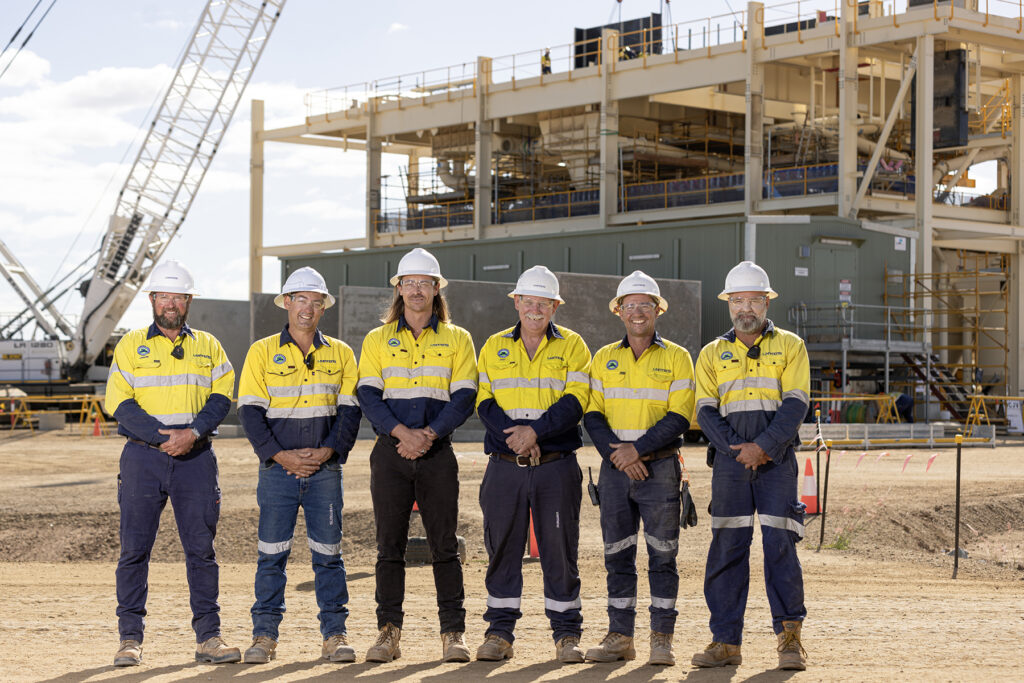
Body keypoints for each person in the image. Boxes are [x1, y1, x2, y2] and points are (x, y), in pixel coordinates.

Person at [105, 260, 239, 667]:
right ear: (152, 300)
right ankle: (130, 639)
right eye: (164, 296)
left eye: (179, 297)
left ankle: (209, 639)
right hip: (143, 458)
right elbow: (118, 402)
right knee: (134, 551)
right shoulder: (130, 345)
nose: (171, 304)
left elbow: (222, 395)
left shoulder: (209, 345)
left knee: (201, 551)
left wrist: (192, 434)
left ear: (188, 301)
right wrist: (163, 438)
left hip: (195, 458)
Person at [356, 248, 478, 663]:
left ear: (436, 288)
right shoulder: (377, 339)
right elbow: (368, 396)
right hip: (390, 455)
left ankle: (453, 633)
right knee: (389, 547)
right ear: (399, 288)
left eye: (425, 283)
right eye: (409, 283)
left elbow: (464, 397)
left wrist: (428, 434)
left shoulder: (458, 339)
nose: (416, 290)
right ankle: (388, 633)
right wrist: (402, 434)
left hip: (436, 454)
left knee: (444, 545)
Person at [237, 267, 361, 664]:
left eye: (316, 301)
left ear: (324, 306)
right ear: (287, 303)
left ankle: (335, 635)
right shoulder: (261, 352)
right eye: (300, 299)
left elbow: (351, 411)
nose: (308, 308)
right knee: (271, 555)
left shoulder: (341, 353)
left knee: (329, 555)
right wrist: (280, 455)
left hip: (325, 472)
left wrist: (328, 452)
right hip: (278, 472)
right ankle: (264, 636)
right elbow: (250, 413)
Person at [691, 261, 810, 671]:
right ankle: (725, 642)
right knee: (727, 549)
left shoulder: (791, 346)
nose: (747, 307)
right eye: (738, 300)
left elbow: (795, 404)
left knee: (780, 548)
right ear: (728, 304)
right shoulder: (711, 354)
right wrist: (736, 450)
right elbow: (705, 411)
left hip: (777, 463)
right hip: (730, 466)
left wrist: (763, 447)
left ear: (766, 302)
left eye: (754, 300)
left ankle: (790, 640)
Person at [474, 265, 592, 664]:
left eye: (544, 303)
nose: (536, 309)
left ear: (555, 306)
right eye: (529, 301)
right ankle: (499, 632)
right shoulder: (493, 346)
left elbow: (576, 400)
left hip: (555, 466)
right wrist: (518, 438)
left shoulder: (574, 345)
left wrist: (535, 434)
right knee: (502, 547)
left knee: (559, 549)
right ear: (517, 302)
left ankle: (566, 634)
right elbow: (484, 401)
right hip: (505, 465)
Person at [582, 271, 695, 666]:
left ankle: (661, 639)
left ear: (657, 310)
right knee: (617, 555)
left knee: (663, 556)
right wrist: (620, 456)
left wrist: (637, 451)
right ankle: (620, 637)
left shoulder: (678, 357)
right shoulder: (603, 358)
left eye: (645, 304)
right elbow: (592, 414)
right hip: (615, 471)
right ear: (619, 312)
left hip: (660, 469)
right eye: (629, 305)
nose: (637, 312)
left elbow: (679, 417)